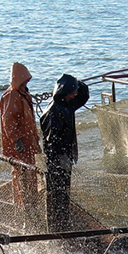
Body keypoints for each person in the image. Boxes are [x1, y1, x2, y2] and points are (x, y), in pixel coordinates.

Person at [40, 73, 89, 232]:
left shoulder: (67, 104)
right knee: (56, 196)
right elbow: (50, 142)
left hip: (65, 159)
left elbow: (83, 96)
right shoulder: (54, 110)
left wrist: (76, 82)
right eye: (72, 92)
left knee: (64, 194)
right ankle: (55, 228)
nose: (74, 94)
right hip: (56, 162)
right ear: (65, 92)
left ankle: (63, 224)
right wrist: (60, 158)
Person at [0, 62, 42, 213]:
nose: (27, 83)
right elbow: (8, 120)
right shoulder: (12, 95)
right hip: (20, 145)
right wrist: (16, 140)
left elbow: (30, 122)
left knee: (31, 176)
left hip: (28, 144)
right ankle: (22, 206)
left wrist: (35, 141)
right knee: (20, 175)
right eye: (25, 80)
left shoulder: (24, 95)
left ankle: (31, 205)